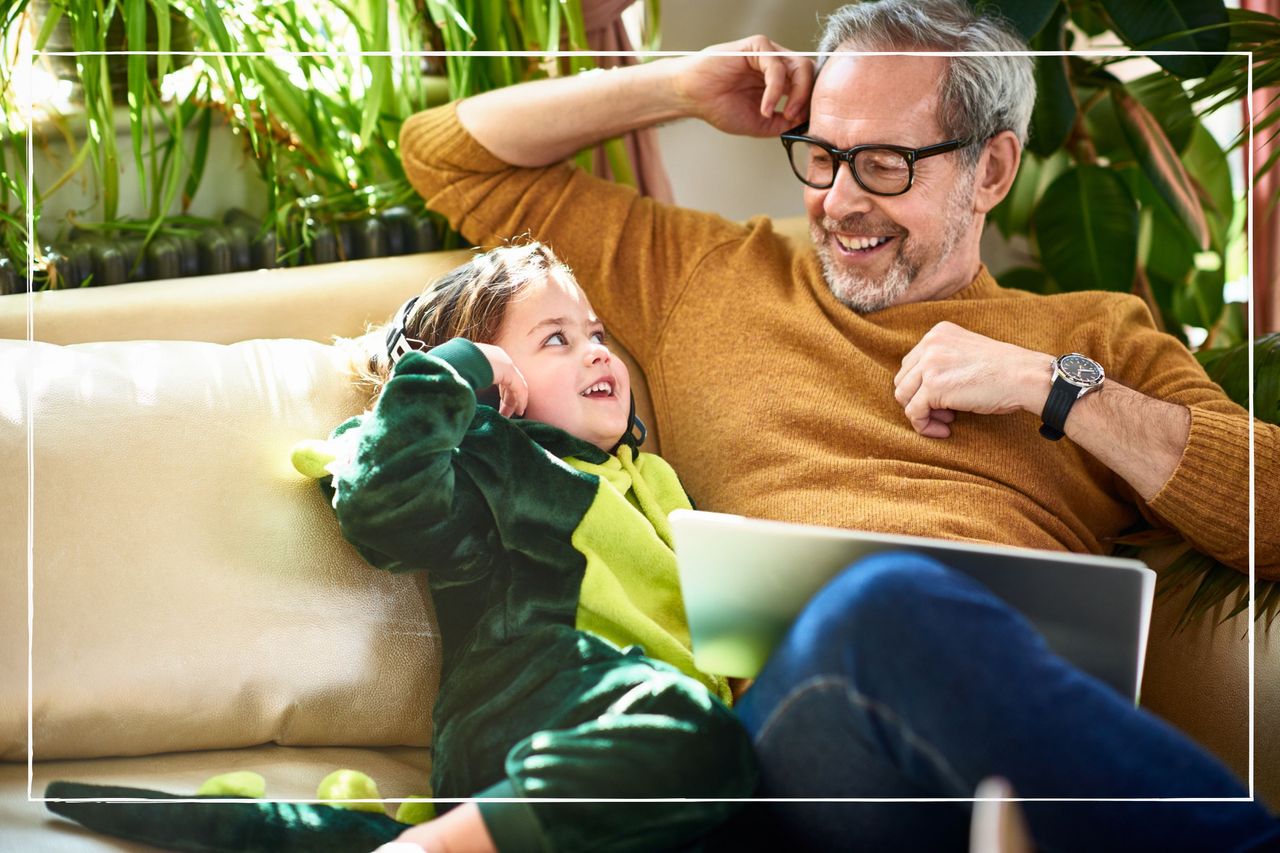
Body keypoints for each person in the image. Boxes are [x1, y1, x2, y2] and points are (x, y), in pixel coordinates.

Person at [392, 0, 1280, 849]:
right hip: (793, 762)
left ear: (994, 169)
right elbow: (443, 155)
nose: (841, 200)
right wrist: (675, 88)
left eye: (886, 164)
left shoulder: (1093, 339)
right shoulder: (710, 274)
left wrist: (1053, 388)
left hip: (1008, 757)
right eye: (822, 155)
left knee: (903, 615)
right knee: (881, 603)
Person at [323, 241, 757, 852]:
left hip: (669, 766)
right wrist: (454, 371)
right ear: (497, 381)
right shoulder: (492, 461)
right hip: (531, 733)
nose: (597, 352)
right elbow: (383, 506)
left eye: (597, 333)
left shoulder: (654, 480)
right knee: (693, 732)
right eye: (558, 340)